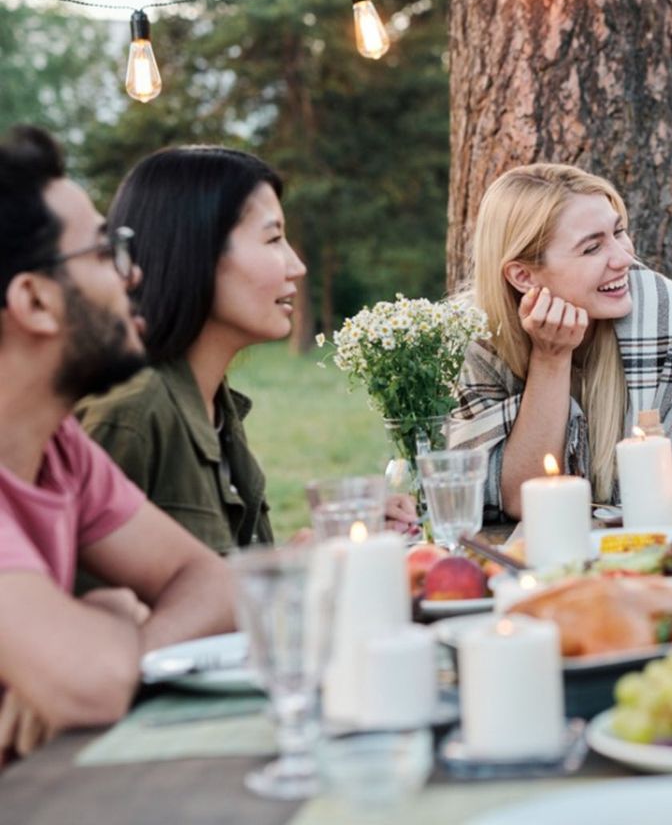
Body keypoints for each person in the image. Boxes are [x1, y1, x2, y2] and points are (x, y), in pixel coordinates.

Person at [0, 126, 234, 764]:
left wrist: (128, 638)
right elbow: (92, 687)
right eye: (106, 253)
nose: (133, 277)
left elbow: (212, 583)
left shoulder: (61, 449)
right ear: (36, 300)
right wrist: (112, 611)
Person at [75, 146, 418, 554]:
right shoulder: (130, 417)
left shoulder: (217, 408)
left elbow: (227, 588)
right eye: (273, 238)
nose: (296, 265)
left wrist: (328, 542)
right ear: (195, 250)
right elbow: (86, 607)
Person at [447, 164, 672, 519]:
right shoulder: (475, 339)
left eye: (619, 232)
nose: (624, 259)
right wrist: (551, 358)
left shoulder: (667, 315)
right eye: (592, 248)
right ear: (523, 276)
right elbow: (520, 501)